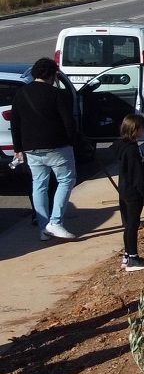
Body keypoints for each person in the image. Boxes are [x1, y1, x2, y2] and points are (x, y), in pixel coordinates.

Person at [11, 57, 82, 240]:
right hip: (57, 146)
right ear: (52, 75)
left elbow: (15, 123)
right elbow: (68, 122)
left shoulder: (21, 94)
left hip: (30, 148)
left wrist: (18, 148)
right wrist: (74, 139)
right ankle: (55, 222)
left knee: (39, 185)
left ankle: (43, 227)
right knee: (66, 180)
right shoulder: (57, 94)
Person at [116, 114, 144, 273]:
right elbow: (137, 175)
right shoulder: (132, 150)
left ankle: (127, 256)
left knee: (128, 225)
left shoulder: (123, 146)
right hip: (133, 193)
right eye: (142, 128)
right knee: (133, 225)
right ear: (135, 129)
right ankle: (132, 257)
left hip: (124, 190)